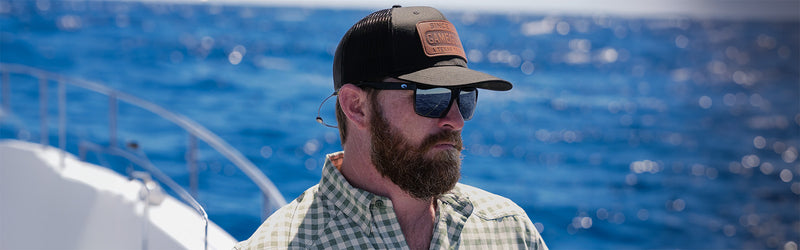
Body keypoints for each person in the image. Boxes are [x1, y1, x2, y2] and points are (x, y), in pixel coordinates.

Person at [235, 5, 548, 250]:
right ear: (356, 106)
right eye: (431, 96)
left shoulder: (510, 229)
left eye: (465, 97)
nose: (456, 119)